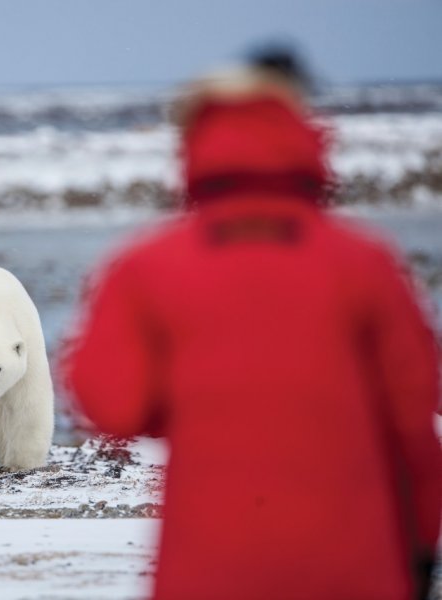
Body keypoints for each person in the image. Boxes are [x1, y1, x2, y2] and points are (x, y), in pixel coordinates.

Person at [63, 55, 441, 600]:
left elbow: (111, 404)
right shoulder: (366, 262)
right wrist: (424, 548)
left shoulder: (145, 267)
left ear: (194, 140)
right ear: (300, 131)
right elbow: (414, 429)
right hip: (353, 569)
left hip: (208, 570)